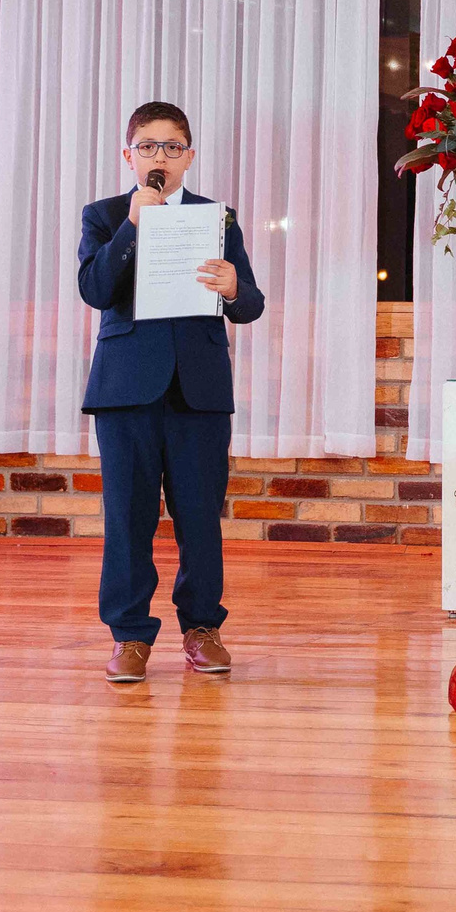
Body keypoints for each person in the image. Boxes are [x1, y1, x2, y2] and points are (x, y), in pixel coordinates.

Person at [76, 101, 265, 684]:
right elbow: (95, 288)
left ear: (189, 156)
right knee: (127, 517)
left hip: (199, 389)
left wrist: (235, 288)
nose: (161, 156)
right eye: (149, 146)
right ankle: (130, 636)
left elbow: (251, 304)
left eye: (172, 147)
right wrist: (135, 223)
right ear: (128, 154)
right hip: (127, 387)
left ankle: (202, 628)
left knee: (199, 517)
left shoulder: (218, 217)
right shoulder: (105, 215)